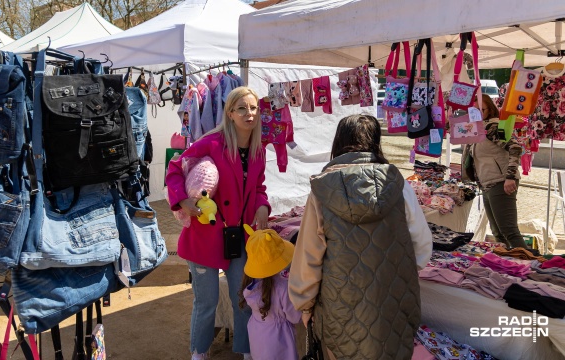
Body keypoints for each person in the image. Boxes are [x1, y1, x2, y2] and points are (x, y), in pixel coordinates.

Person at [288, 115, 433, 360]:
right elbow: (421, 246)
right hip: (392, 302)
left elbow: (308, 256)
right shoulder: (398, 185)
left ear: (339, 141)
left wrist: (304, 304)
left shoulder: (323, 190)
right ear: (376, 142)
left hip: (339, 306)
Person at [165, 86, 271, 360]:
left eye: (253, 108)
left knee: (243, 299)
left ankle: (246, 352)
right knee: (207, 302)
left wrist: (262, 205)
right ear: (230, 113)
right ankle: (199, 354)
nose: (250, 113)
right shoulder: (213, 143)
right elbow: (176, 168)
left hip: (240, 237)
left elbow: (259, 186)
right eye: (242, 108)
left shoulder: (260, 150)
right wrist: (182, 201)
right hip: (205, 236)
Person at [463, 94, 527, 249]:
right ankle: (510, 264)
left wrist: (510, 176)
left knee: (509, 231)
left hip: (501, 181)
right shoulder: (477, 129)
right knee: (497, 232)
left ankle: (530, 265)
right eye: (474, 110)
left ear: (489, 110)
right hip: (488, 183)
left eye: (481, 109)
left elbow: (515, 148)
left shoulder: (492, 127)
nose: (477, 113)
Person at [239, 225, 300, 360]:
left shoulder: (251, 285)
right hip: (280, 340)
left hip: (258, 336)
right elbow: (295, 316)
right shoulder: (282, 287)